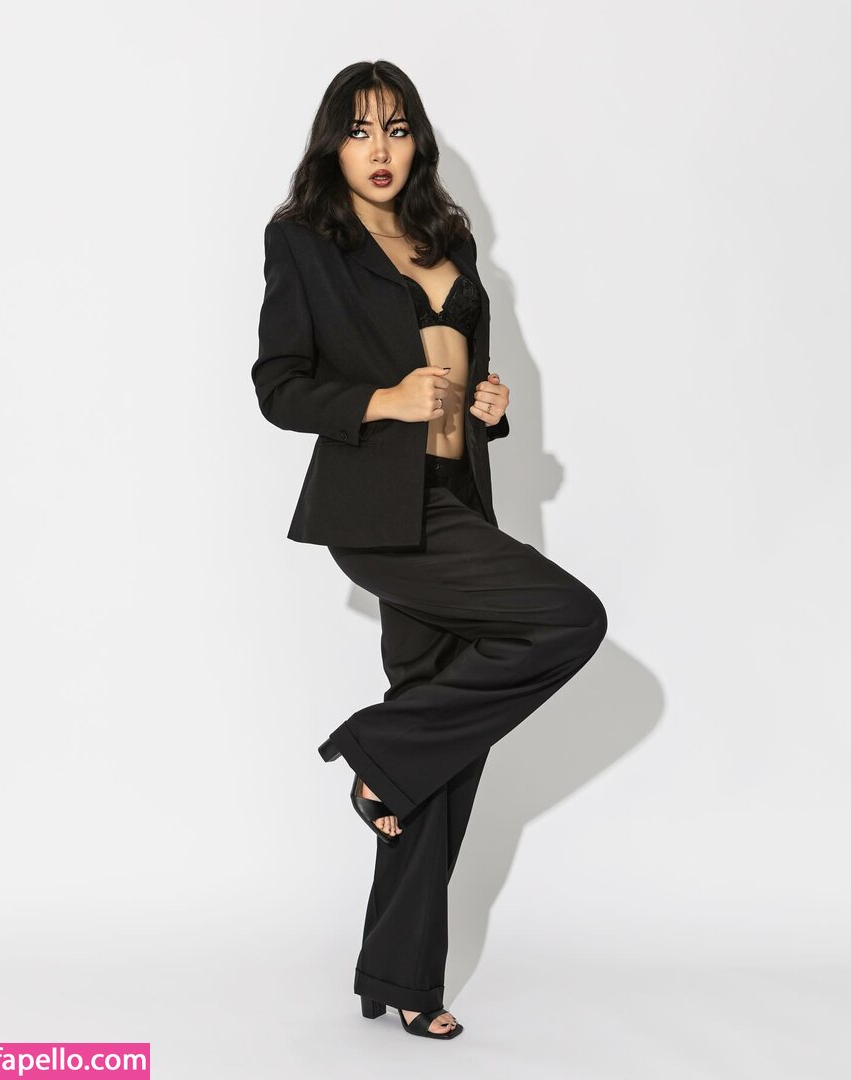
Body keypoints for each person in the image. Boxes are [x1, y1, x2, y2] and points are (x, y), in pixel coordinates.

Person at [251, 60, 607, 1041]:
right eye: (360, 129)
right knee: (569, 620)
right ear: (333, 143)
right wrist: (387, 399)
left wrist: (487, 405)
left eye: (397, 128)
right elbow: (278, 386)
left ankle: (399, 977)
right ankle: (377, 753)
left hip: (455, 499)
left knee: (441, 750)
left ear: (418, 142)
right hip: (380, 514)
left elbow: (464, 365)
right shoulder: (304, 241)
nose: (380, 148)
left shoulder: (447, 237)